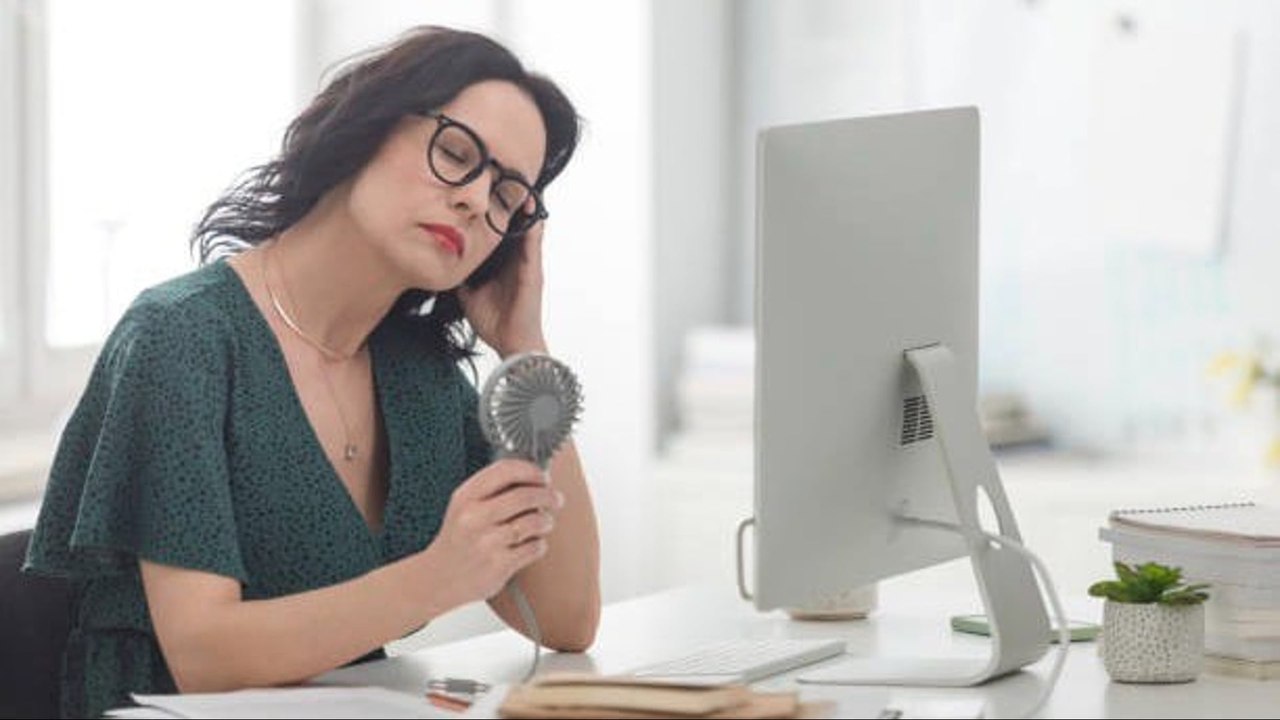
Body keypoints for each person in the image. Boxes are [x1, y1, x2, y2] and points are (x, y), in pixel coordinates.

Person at [23, 25, 600, 718]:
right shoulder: (184, 336)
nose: (478, 201)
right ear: (369, 125)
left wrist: (525, 351)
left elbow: (566, 619)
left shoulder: (422, 376)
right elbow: (202, 657)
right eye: (456, 153)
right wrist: (436, 578)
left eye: (509, 198)